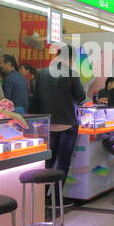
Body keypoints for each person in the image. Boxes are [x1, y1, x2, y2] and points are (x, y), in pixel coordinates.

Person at [31, 45, 86, 206]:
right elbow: (81, 96)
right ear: (71, 58)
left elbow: (35, 100)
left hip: (47, 124)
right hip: (67, 123)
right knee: (63, 162)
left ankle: (42, 197)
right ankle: (56, 198)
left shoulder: (42, 74)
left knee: (48, 160)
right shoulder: (71, 74)